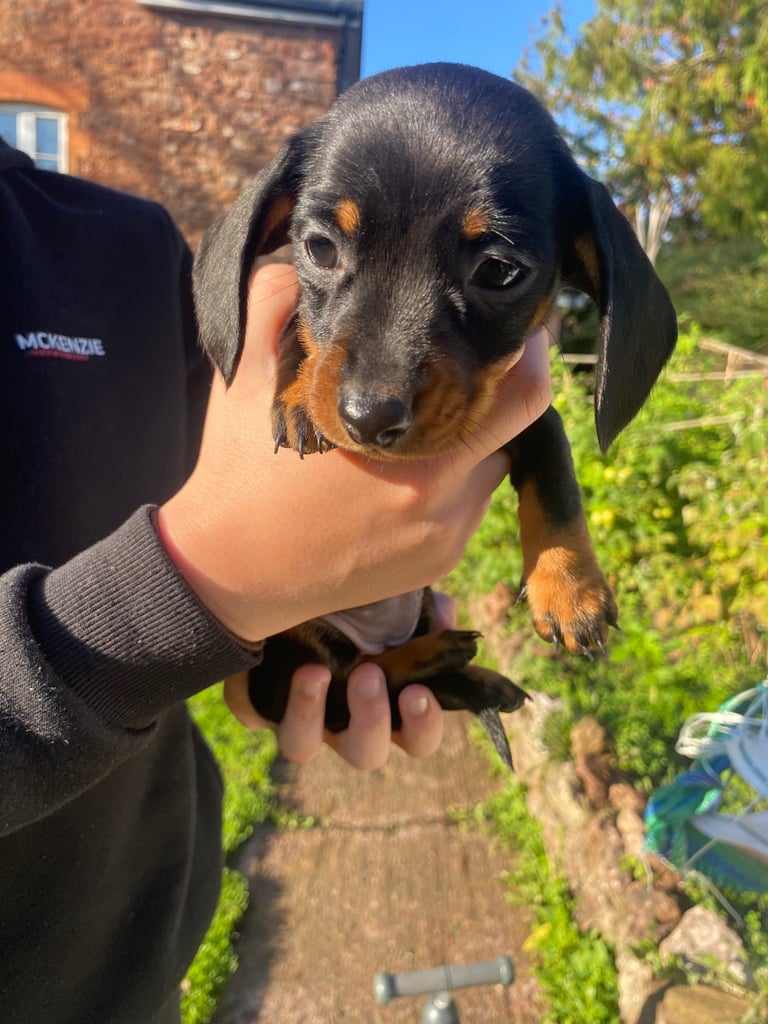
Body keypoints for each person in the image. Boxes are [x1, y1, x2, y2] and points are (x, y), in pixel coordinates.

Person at [0, 138, 551, 1024]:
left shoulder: (126, 244)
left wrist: (305, 583)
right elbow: (224, 552)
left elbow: (244, 450)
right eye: (322, 247)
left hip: (143, 952)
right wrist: (206, 585)